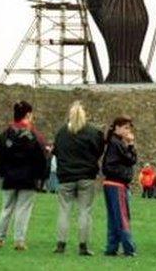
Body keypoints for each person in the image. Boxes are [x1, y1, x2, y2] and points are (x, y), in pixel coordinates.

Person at [52, 100, 105, 256]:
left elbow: (56, 151)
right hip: (86, 176)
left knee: (64, 211)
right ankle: (83, 245)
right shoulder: (92, 132)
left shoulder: (61, 132)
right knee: (85, 211)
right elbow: (99, 149)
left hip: (66, 177)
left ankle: (61, 244)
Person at [0, 100, 47, 251]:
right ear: (28, 114)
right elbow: (42, 157)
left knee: (6, 208)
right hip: (28, 178)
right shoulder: (34, 135)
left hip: (9, 177)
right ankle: (19, 240)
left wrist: (3, 172)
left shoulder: (5, 134)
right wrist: (40, 176)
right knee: (23, 209)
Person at [102, 116, 137, 257]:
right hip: (117, 184)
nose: (128, 131)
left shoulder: (113, 142)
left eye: (129, 128)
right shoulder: (117, 144)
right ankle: (129, 247)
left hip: (110, 183)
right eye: (125, 127)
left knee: (113, 218)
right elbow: (130, 160)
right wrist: (131, 144)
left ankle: (112, 247)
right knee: (122, 217)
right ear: (117, 127)